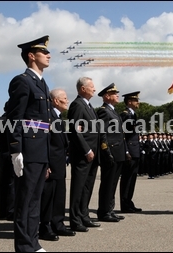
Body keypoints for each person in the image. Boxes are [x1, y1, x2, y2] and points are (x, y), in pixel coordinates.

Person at [6, 35, 52, 252]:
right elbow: (14, 117)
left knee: (35, 200)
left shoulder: (41, 83)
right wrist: (16, 149)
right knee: (25, 201)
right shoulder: (22, 81)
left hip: (41, 149)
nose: (49, 55)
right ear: (32, 56)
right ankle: (24, 247)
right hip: (28, 148)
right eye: (44, 52)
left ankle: (33, 243)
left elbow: (44, 122)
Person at [39, 88, 76, 241]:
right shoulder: (47, 117)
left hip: (59, 162)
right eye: (65, 98)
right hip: (51, 163)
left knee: (59, 196)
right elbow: (43, 141)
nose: (67, 101)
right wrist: (46, 164)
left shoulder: (58, 117)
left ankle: (58, 224)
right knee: (48, 197)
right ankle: (45, 226)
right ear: (55, 100)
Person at [67, 77, 101, 232]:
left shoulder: (88, 106)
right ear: (82, 89)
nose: (94, 89)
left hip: (93, 154)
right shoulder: (77, 105)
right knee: (78, 187)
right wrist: (86, 150)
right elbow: (74, 130)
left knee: (87, 187)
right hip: (83, 154)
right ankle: (75, 219)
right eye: (91, 87)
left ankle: (84, 216)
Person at [96, 83, 127, 222]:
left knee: (113, 183)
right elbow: (102, 133)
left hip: (118, 151)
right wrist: (106, 151)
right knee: (108, 183)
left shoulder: (112, 110)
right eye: (114, 93)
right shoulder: (104, 111)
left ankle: (110, 209)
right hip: (111, 151)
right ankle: (103, 211)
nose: (117, 95)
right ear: (107, 96)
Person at [119, 91, 143, 213]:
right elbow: (123, 135)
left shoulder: (133, 114)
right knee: (127, 179)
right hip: (130, 151)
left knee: (132, 179)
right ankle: (125, 204)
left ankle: (129, 202)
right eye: (136, 100)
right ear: (129, 102)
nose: (138, 102)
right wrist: (126, 151)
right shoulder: (125, 115)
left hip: (135, 150)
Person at [0, 102, 15, 221]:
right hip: (12, 152)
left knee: (2, 183)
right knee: (12, 183)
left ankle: (2, 211)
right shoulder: (15, 121)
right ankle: (11, 211)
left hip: (2, 152)